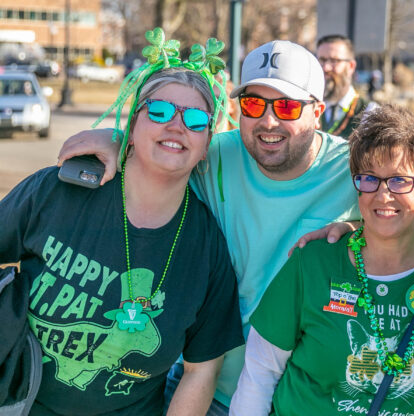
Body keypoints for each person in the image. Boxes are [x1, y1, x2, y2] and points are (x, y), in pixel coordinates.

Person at [57, 40, 414, 413]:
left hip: (290, 397)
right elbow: (160, 149)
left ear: (318, 112)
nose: (268, 121)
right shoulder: (213, 156)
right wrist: (118, 140)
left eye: (287, 107)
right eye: (254, 105)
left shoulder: (358, 171)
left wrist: (373, 229)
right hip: (198, 383)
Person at [0, 29, 244, 415]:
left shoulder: (207, 249)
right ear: (131, 126)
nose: (176, 126)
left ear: (205, 146)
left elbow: (201, 370)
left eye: (196, 119)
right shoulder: (58, 190)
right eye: (159, 111)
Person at [230, 104, 414, 415]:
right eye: (369, 179)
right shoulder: (313, 262)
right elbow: (259, 374)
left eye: (399, 180)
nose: (383, 194)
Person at [317, 34, 376, 138]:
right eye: (322, 60)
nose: (326, 68)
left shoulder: (370, 114)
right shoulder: (309, 107)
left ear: (351, 66)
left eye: (334, 61)